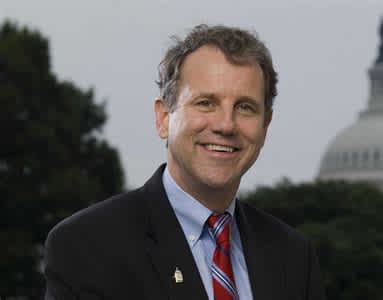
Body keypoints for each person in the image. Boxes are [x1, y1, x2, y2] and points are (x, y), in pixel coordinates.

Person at [44, 24, 326, 300]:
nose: (226, 125)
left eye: (245, 107)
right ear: (164, 117)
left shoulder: (293, 257)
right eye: (206, 103)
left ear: (265, 125)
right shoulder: (88, 246)